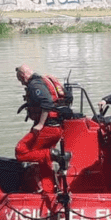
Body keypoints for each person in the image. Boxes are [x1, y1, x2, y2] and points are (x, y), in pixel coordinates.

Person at [14, 64, 68, 193]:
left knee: (20, 152)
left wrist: (40, 124)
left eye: (20, 80)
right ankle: (49, 191)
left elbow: (47, 102)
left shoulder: (35, 85)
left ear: (23, 75)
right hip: (56, 127)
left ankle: (54, 155)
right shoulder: (43, 81)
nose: (22, 84)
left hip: (47, 127)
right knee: (43, 161)